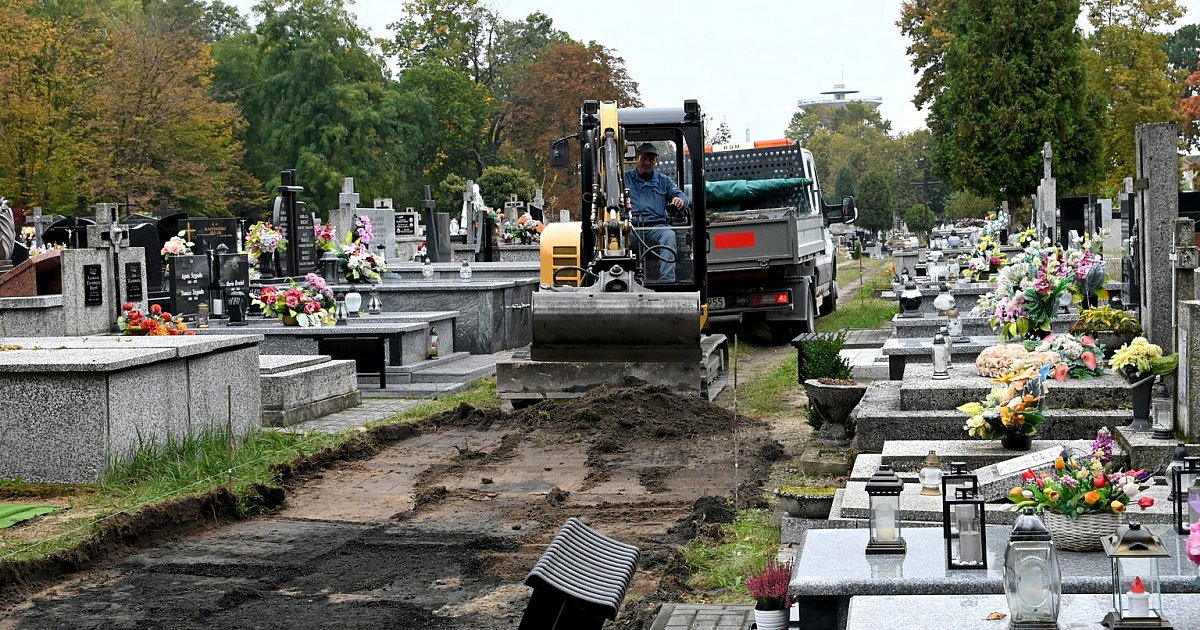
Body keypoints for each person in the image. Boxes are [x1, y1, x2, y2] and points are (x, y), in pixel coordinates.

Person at [623, 142, 687, 282]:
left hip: (656, 227)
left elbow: (682, 196)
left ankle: (667, 281)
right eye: (643, 158)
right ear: (637, 159)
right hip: (630, 227)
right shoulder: (624, 179)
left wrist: (679, 200)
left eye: (650, 159)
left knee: (669, 235)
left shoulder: (664, 181)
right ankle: (622, 279)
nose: (646, 162)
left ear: (655, 161)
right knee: (616, 240)